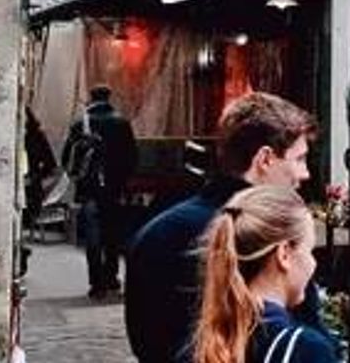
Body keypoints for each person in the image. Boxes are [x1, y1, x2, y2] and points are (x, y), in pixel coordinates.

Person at [126, 92, 318, 363]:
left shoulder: (154, 232)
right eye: (299, 159)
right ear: (265, 160)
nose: (305, 174)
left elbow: (144, 341)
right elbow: (305, 344)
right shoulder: (273, 239)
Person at [195, 186, 335, 363]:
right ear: (284, 254)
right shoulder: (304, 348)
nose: (313, 264)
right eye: (309, 251)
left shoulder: (215, 338)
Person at [62, 84, 137, 298]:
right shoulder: (121, 123)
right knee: (112, 235)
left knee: (93, 239)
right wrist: (122, 182)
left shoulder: (80, 124)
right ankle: (112, 278)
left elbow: (66, 159)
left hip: (88, 191)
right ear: (109, 97)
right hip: (113, 190)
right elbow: (132, 158)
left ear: (91, 98)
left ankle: (96, 283)